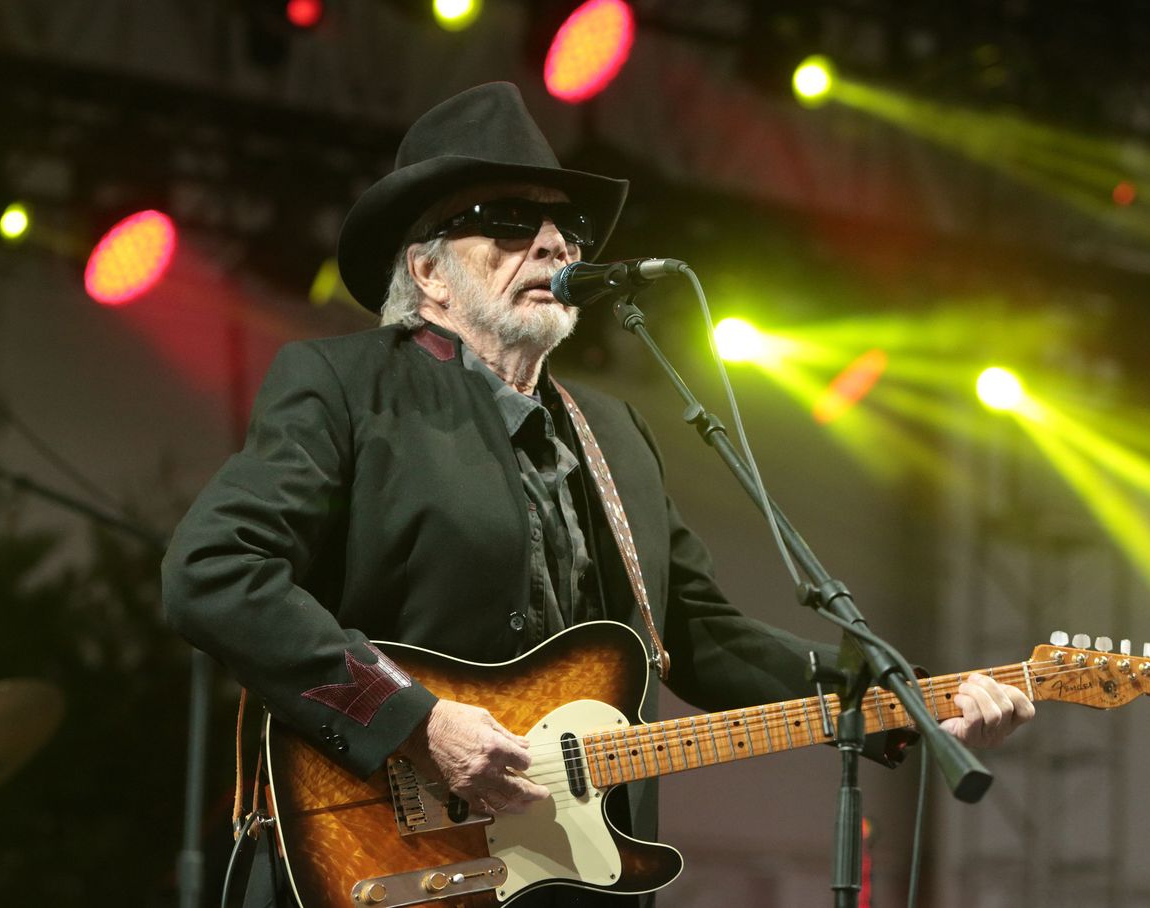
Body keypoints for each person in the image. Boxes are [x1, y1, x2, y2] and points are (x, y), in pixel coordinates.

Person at [162, 82, 1034, 907]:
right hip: (383, 861)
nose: (553, 247)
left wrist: (915, 697)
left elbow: (701, 636)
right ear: (428, 272)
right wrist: (415, 722)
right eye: (505, 223)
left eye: (567, 229)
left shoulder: (613, 433)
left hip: (566, 875)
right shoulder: (344, 386)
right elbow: (213, 571)